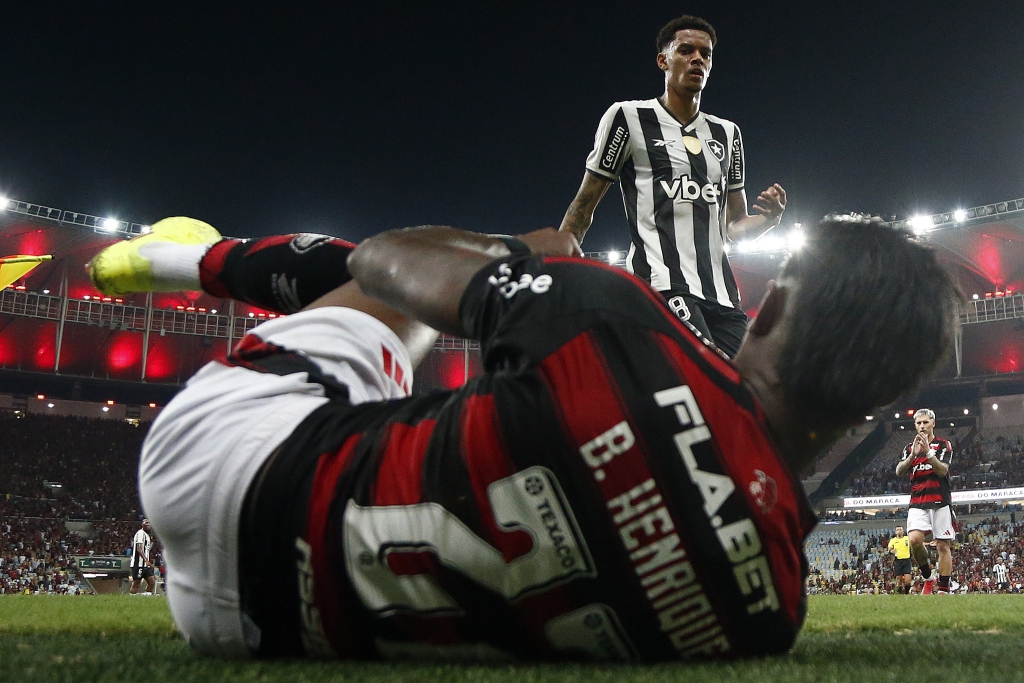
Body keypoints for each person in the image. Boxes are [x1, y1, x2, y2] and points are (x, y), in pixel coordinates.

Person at [88, 213, 957, 661]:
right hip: (243, 623)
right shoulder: (773, 607)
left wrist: (518, 255)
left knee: (403, 296)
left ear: (768, 307)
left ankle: (189, 259)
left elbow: (384, 259)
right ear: (878, 402)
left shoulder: (621, 324)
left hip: (216, 457)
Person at [558, 15, 787, 358]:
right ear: (663, 60)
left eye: (705, 54)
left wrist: (769, 221)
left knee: (749, 390)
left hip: (723, 297)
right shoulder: (628, 118)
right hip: (662, 287)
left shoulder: (728, 134)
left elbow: (734, 228)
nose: (698, 59)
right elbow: (584, 206)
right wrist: (555, 276)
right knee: (707, 373)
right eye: (686, 50)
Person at [895, 409, 954, 595]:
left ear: (933, 424)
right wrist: (913, 455)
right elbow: (899, 471)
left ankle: (943, 589)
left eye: (925, 422)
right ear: (915, 425)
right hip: (917, 502)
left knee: (943, 546)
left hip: (940, 501)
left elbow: (942, 470)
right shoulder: (908, 448)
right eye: (919, 423)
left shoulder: (943, 445)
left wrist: (928, 452)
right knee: (914, 540)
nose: (922, 426)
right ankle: (929, 578)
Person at [129, 519, 155, 595]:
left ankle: (146, 597)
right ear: (142, 524)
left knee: (152, 582)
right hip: (138, 564)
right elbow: (139, 548)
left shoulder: (147, 535)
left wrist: (148, 561)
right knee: (136, 583)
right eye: (146, 522)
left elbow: (146, 550)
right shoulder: (140, 533)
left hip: (145, 565)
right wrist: (146, 560)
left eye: (149, 523)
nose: (148, 524)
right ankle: (132, 598)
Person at [887, 526, 912, 594]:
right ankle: (900, 594)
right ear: (895, 532)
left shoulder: (907, 538)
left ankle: (906, 593)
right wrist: (892, 551)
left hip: (907, 560)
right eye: (897, 530)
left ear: (903, 531)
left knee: (907, 580)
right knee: (899, 579)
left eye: (900, 529)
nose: (899, 531)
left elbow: (915, 543)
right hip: (898, 561)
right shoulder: (893, 540)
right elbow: (889, 549)